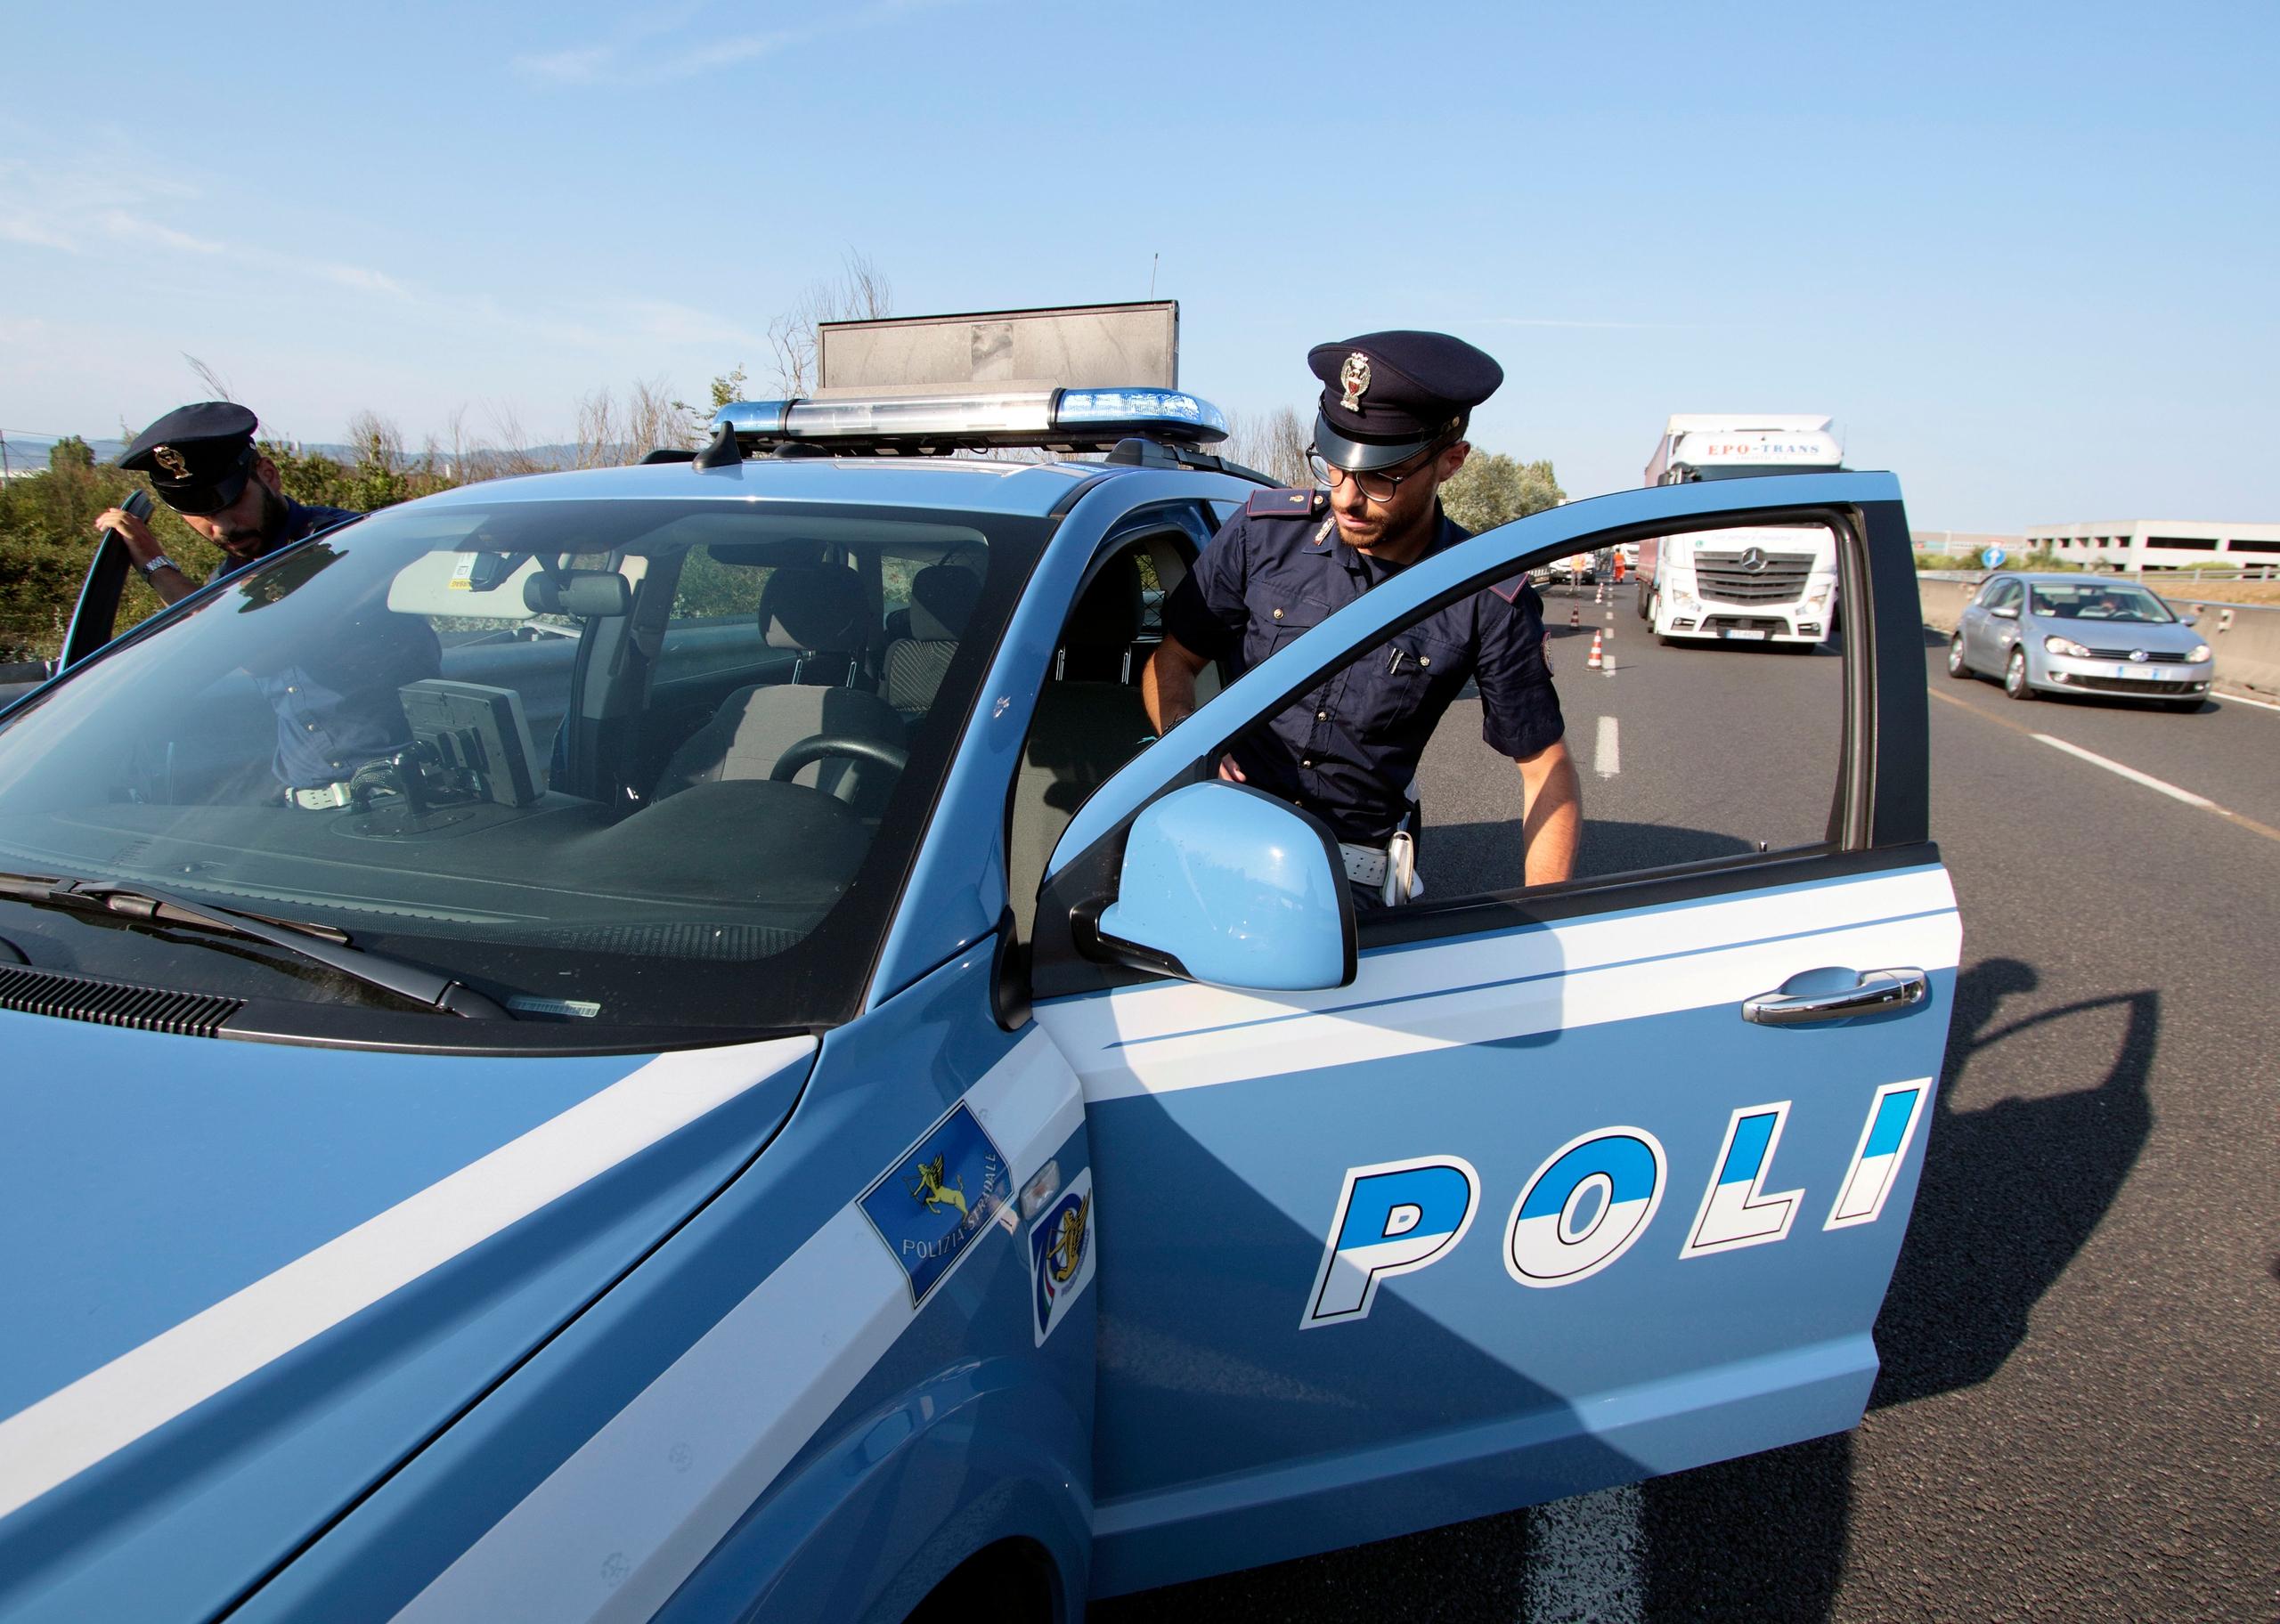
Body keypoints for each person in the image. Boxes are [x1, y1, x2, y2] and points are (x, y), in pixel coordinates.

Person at [1142, 330, 1581, 905]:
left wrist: (1542, 927)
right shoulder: (1262, 537)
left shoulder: (1485, 595)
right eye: (1335, 467)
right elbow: (1172, 660)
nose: (1346, 497)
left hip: (1351, 889)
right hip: (1218, 853)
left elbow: (1546, 771)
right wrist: (1192, 748)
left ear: (1450, 461)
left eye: (1380, 476)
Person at [100, 402, 439, 808]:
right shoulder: (230, 575)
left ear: (268, 475)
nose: (222, 526)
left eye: (231, 502)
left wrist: (156, 565)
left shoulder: (346, 542)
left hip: (403, 794)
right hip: (306, 801)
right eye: (200, 512)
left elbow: (260, 651)